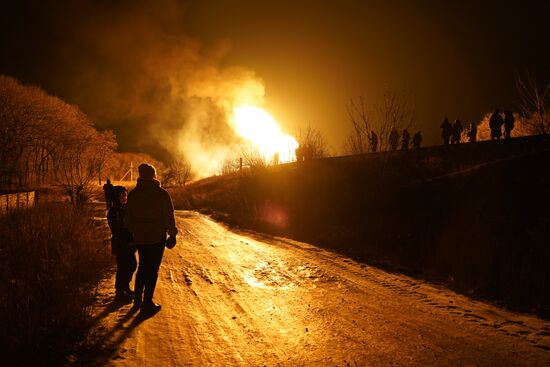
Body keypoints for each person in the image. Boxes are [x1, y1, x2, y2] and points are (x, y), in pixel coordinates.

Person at [126, 164, 178, 315]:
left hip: (140, 237)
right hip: (157, 236)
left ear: (141, 175)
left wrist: (134, 232)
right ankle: (147, 302)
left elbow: (128, 219)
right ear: (153, 175)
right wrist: (172, 234)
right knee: (152, 269)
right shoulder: (161, 194)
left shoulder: (134, 194)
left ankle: (137, 300)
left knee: (142, 266)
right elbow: (169, 216)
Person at [107, 185, 136, 303]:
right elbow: (117, 229)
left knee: (132, 265)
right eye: (121, 195)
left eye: (125, 195)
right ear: (116, 197)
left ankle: (125, 287)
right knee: (123, 267)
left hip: (129, 242)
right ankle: (119, 292)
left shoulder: (126, 208)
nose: (124, 197)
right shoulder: (113, 211)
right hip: (121, 242)